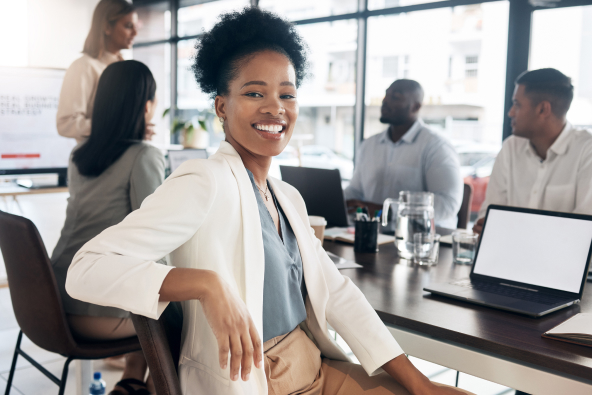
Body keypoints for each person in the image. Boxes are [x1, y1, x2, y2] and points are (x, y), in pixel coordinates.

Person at [66, 8, 472, 395]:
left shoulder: (287, 197)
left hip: (313, 367)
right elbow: (86, 268)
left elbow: (340, 294)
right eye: (254, 92)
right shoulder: (203, 181)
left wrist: (419, 383)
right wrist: (206, 285)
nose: (275, 107)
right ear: (222, 107)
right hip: (255, 380)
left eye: (288, 94)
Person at [51, 60, 165, 395]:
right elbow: (157, 237)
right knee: (182, 312)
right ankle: (139, 385)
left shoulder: (79, 154)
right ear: (146, 105)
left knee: (145, 293)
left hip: (50, 303)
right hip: (94, 315)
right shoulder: (143, 156)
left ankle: (130, 383)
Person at [473, 68, 592, 235]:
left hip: (562, 261)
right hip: (509, 257)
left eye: (517, 104)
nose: (510, 113)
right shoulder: (510, 148)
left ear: (543, 109)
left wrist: (507, 228)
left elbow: (583, 233)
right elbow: (489, 217)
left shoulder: (587, 152)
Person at [345, 79, 463, 229]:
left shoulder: (436, 146)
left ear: (415, 106)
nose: (385, 101)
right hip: (371, 236)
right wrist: (339, 200)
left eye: (395, 97)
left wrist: (387, 211)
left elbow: (447, 204)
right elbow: (355, 191)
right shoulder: (369, 145)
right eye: (386, 95)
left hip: (418, 241)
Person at [56, 0, 145, 143]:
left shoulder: (128, 70)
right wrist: (119, 128)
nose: (135, 33)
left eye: (136, 26)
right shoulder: (84, 67)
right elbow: (66, 124)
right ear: (106, 27)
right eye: (128, 26)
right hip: (97, 160)